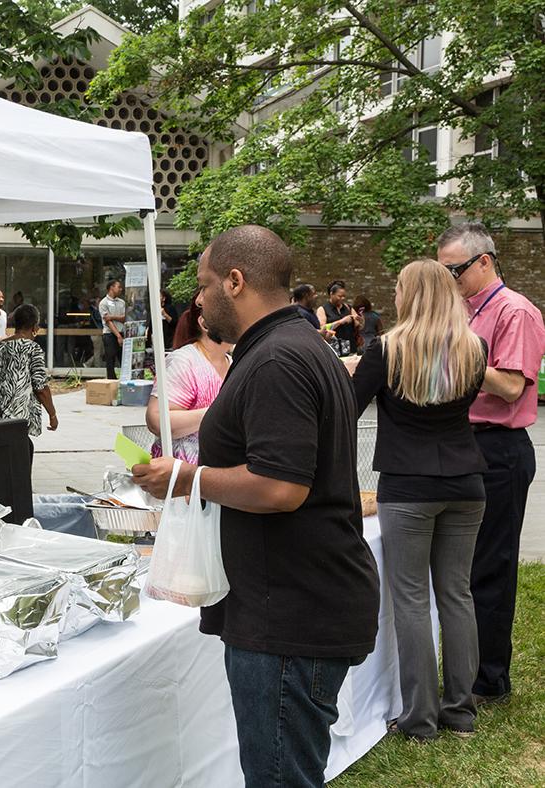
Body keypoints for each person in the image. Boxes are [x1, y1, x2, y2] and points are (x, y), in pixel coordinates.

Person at [131, 226, 379, 788]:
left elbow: (279, 487)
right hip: (293, 601)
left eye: (204, 284)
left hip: (290, 613)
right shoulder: (293, 346)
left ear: (236, 282)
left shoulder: (277, 360)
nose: (198, 300)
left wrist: (185, 478)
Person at [351, 258, 488, 741]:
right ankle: (461, 711)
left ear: (410, 295)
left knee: (410, 600)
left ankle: (420, 719)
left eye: (398, 286)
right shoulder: (475, 348)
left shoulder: (385, 350)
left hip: (407, 486)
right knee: (457, 594)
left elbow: (348, 407)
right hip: (466, 483)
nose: (393, 292)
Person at [437, 222, 545, 706]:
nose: (450, 279)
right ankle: (465, 670)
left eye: (455, 270)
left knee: (490, 565)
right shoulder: (464, 308)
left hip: (498, 449)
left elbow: (511, 387)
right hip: (463, 442)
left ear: (485, 262)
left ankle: (488, 681)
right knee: (461, 567)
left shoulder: (514, 311)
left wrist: (456, 355)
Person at [145, 303, 230, 463]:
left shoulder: (234, 363)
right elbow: (157, 420)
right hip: (181, 476)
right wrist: (217, 414)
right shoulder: (185, 361)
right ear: (204, 323)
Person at [0, 304, 58, 462]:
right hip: (18, 418)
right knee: (21, 457)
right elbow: (40, 387)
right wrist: (52, 414)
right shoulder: (32, 349)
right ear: (35, 326)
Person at [316, 280, 363, 357]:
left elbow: (358, 327)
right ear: (331, 294)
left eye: (344, 296)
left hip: (350, 346)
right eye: (339, 296)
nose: (342, 298)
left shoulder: (348, 308)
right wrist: (341, 321)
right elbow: (323, 329)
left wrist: (360, 321)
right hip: (333, 348)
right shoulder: (322, 309)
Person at [98, 279, 126, 379]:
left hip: (122, 332)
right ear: (111, 288)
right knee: (110, 360)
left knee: (124, 359)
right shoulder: (103, 303)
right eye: (118, 287)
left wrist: (112, 317)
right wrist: (118, 336)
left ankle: (124, 380)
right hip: (110, 334)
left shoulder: (122, 302)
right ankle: (111, 381)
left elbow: (124, 317)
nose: (120, 289)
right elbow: (107, 321)